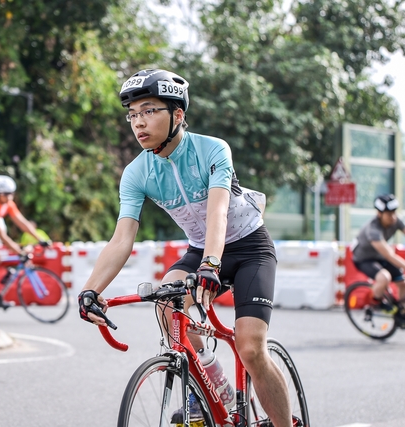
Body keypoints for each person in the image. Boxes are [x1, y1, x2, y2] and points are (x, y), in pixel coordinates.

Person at [77, 69, 293, 426]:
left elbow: (217, 212)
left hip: (249, 248)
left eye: (149, 111)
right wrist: (90, 290)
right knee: (167, 302)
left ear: (177, 114)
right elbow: (122, 238)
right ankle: (212, 383)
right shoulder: (136, 173)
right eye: (132, 114)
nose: (138, 122)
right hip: (201, 250)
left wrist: (211, 264)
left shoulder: (213, 149)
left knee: (250, 347)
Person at [351, 194, 405, 327]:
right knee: (384, 277)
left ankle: (403, 313)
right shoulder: (372, 229)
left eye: (394, 213)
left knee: (403, 283)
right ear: (379, 214)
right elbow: (389, 255)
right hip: (364, 259)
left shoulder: (396, 220)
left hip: (380, 256)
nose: (392, 217)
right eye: (389, 214)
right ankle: (376, 303)